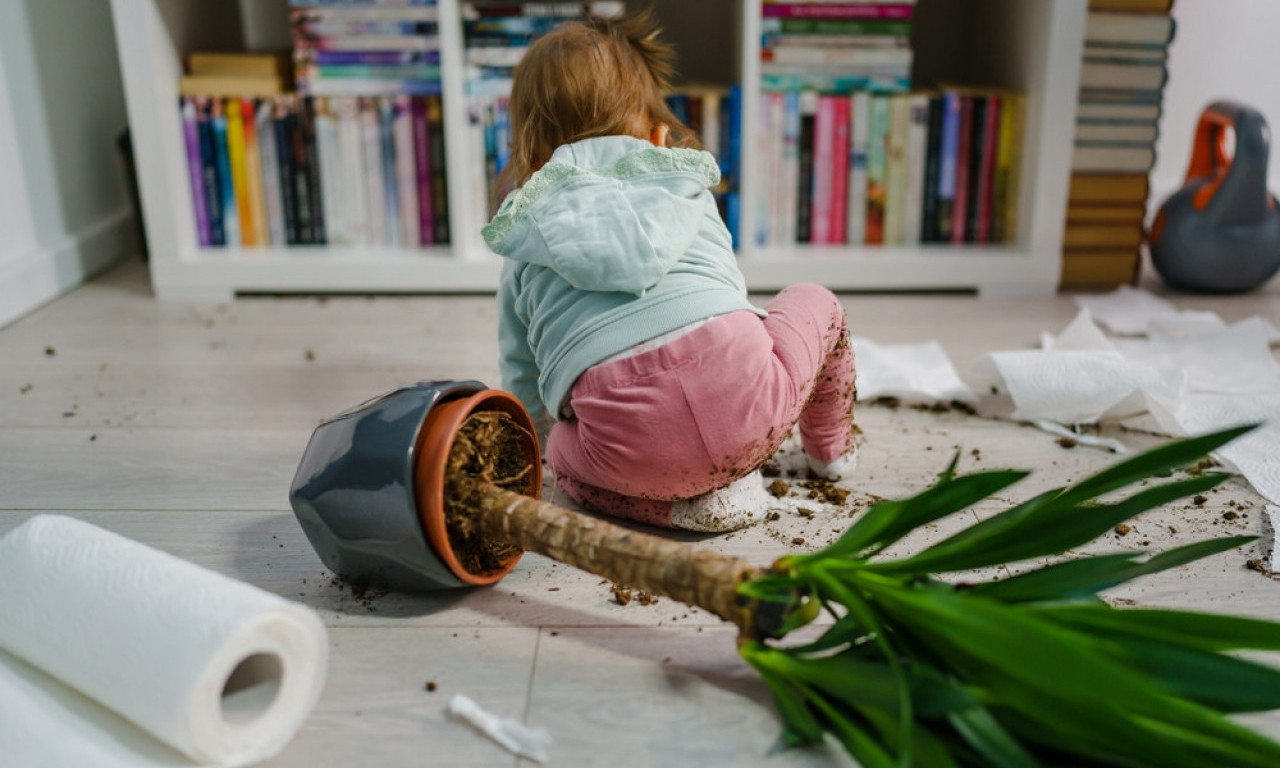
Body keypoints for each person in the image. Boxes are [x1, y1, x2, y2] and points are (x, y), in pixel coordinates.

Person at [482, 11, 859, 533]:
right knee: (815, 300)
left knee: (565, 463)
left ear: (534, 154)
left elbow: (522, 373)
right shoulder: (685, 185)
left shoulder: (523, 237)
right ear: (658, 134)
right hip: (751, 409)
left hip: (626, 453)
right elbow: (726, 291)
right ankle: (832, 454)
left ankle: (678, 509)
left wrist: (546, 441)